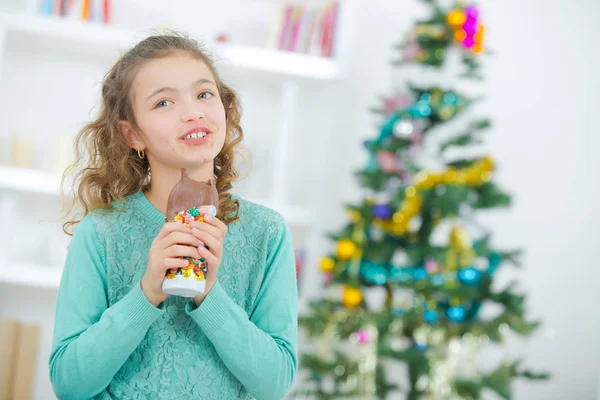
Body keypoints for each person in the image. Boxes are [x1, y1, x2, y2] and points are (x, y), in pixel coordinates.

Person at [49, 33, 298, 400]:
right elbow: (69, 384)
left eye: (203, 94)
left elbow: (275, 384)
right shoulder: (101, 233)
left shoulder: (267, 233)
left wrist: (210, 295)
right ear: (132, 134)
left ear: (224, 110)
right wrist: (148, 291)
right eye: (164, 102)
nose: (192, 112)